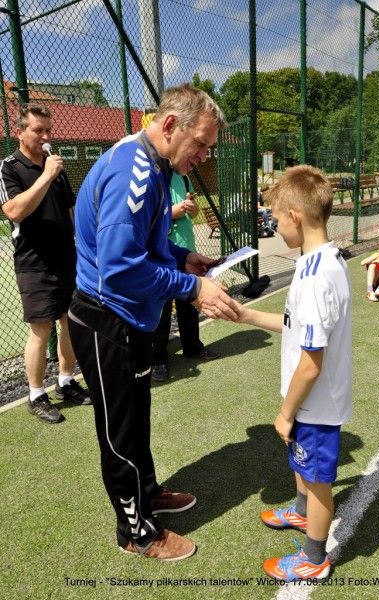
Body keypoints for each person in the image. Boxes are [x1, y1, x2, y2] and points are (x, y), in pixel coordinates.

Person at [67, 84, 240, 561]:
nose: (203, 157)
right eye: (200, 144)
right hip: (107, 320)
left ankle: (147, 493)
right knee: (120, 432)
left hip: (131, 317)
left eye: (209, 148)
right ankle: (136, 532)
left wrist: (182, 258)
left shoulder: (156, 163)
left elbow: (148, 242)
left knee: (137, 419)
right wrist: (192, 289)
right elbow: (120, 267)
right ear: (169, 125)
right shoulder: (135, 172)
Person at [233, 165, 352, 582]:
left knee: (318, 481)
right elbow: (294, 326)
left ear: (295, 217)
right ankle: (301, 513)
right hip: (308, 400)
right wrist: (246, 315)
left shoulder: (318, 277)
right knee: (302, 463)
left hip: (316, 404)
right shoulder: (314, 260)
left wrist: (286, 413)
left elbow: (311, 363)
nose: (274, 226)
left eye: (276, 219)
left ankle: (314, 559)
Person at [0, 103, 89, 424]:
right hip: (34, 262)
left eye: (49, 130)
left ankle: (65, 381)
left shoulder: (56, 167)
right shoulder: (9, 167)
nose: (46, 136)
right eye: (38, 130)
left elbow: (70, 211)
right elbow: (13, 210)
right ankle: (36, 394)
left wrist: (84, 246)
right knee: (41, 329)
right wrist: (46, 176)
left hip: (67, 257)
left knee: (70, 322)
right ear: (20, 132)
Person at [152, 172, 220, 382]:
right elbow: (149, 219)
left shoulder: (183, 177)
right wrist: (173, 212)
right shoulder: (154, 175)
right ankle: (157, 359)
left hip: (186, 250)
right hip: (163, 256)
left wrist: (192, 208)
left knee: (189, 305)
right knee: (162, 310)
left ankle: (193, 347)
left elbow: (195, 210)